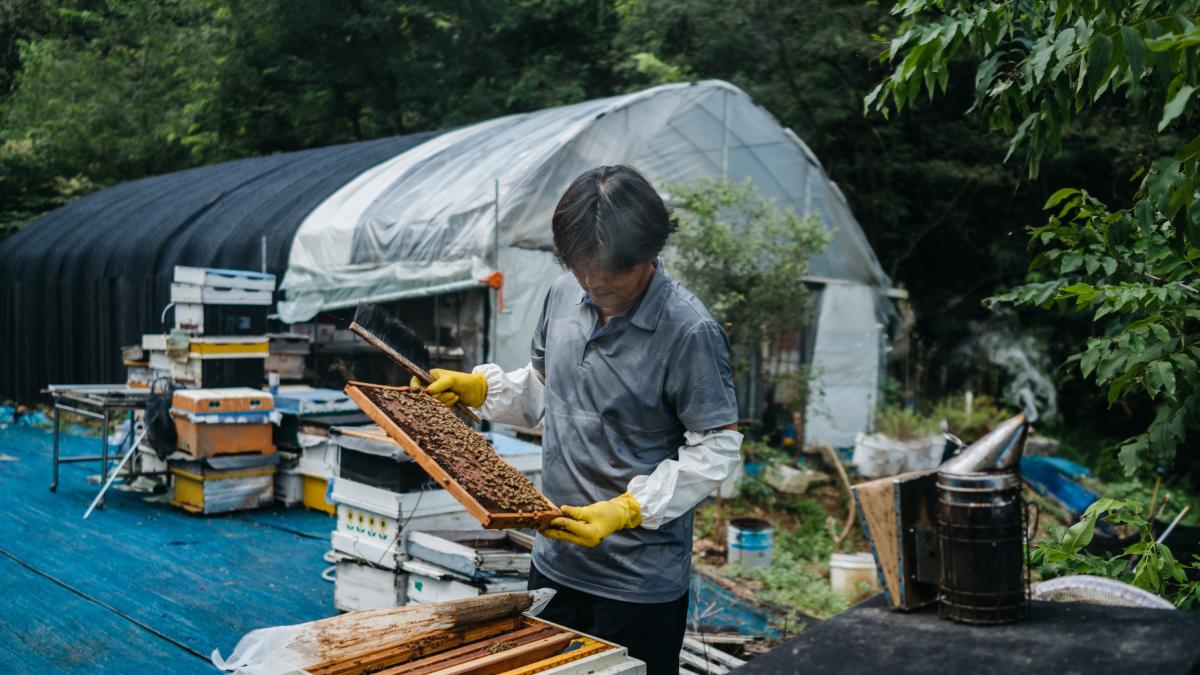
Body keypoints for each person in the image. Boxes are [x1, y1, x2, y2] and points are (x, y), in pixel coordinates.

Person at [413, 165, 742, 674]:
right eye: (583, 268)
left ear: (652, 251)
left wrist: (629, 509)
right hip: (554, 566)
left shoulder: (690, 330)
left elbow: (717, 447)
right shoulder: (561, 295)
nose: (596, 283)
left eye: (612, 272)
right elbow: (546, 389)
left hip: (637, 585)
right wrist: (482, 389)